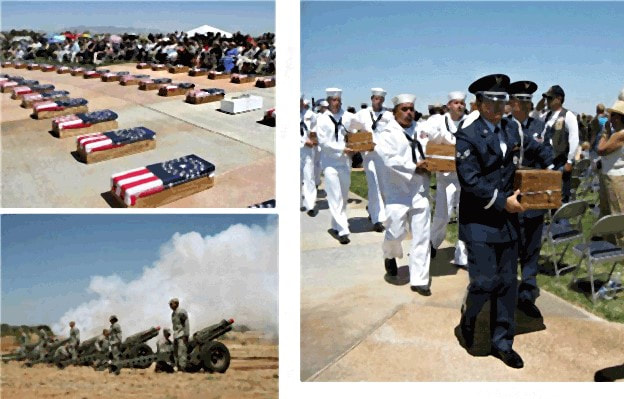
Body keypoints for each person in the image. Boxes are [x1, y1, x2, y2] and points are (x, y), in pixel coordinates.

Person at [455, 74, 551, 369]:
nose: (501, 107)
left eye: (503, 102)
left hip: (508, 221)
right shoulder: (467, 133)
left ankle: (502, 342)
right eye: (494, 102)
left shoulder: (514, 129)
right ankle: (470, 319)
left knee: (508, 283)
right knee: (484, 282)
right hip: (480, 220)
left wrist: (552, 166)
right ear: (480, 104)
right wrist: (501, 201)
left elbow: (531, 153)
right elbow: (470, 180)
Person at [375, 93, 432, 296]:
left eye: (411, 109)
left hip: (420, 190)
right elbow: (389, 158)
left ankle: (420, 279)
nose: (409, 113)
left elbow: (436, 149)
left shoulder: (423, 129)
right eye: (404, 109)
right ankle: (389, 254)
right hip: (397, 192)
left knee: (422, 236)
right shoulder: (387, 133)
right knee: (396, 231)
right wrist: (413, 166)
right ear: (395, 112)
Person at [508, 80, 552, 319]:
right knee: (509, 245)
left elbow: (547, 154)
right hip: (510, 194)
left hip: (534, 195)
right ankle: (504, 290)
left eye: (528, 101)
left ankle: (527, 292)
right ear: (512, 103)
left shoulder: (539, 125)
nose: (526, 105)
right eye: (521, 101)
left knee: (532, 246)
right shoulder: (503, 126)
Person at [422, 91, 469, 267]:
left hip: (465, 177)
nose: (459, 106)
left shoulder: (470, 121)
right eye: (456, 103)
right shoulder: (437, 121)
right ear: (448, 105)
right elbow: (427, 137)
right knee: (443, 214)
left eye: (462, 103)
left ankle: (461, 255)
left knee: (465, 216)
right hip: (446, 177)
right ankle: (433, 243)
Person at [316, 88, 356, 244]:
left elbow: (355, 131)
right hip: (330, 162)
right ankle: (343, 230)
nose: (337, 102)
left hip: (345, 162)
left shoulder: (347, 116)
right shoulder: (322, 119)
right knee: (334, 196)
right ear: (329, 101)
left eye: (339, 100)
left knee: (344, 196)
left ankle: (335, 224)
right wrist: (342, 149)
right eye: (333, 100)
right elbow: (323, 142)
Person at [354, 88, 394, 232]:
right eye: (376, 98)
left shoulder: (388, 115)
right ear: (372, 99)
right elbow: (352, 128)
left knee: (384, 186)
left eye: (381, 99)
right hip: (369, 155)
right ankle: (378, 219)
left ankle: (373, 209)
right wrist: (357, 141)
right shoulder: (363, 114)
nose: (378, 101)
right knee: (374, 185)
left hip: (383, 156)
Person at [540, 85, 579, 203]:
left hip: (561, 161)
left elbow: (574, 138)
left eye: (550, 98)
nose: (547, 101)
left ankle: (561, 221)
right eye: (547, 99)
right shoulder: (547, 116)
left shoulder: (568, 115)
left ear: (559, 98)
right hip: (547, 161)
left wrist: (570, 161)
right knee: (548, 197)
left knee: (560, 197)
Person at [597, 96, 624, 244]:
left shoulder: (619, 135)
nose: (610, 118)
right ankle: (609, 243)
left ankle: (620, 246)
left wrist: (605, 133)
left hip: (615, 178)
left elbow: (601, 149)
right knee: (608, 211)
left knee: (617, 213)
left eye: (613, 115)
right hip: (610, 175)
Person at [300, 96, 318, 216]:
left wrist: (314, 140)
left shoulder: (310, 114)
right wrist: (302, 141)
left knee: (309, 177)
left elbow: (314, 129)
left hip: (307, 150)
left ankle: (310, 205)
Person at [170, 298, 190, 372]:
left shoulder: (181, 312)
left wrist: (186, 334)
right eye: (170, 304)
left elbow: (186, 323)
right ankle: (178, 367)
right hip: (176, 335)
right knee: (176, 353)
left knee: (182, 352)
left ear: (176, 303)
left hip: (182, 335)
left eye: (172, 304)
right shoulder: (173, 314)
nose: (170, 306)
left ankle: (182, 368)